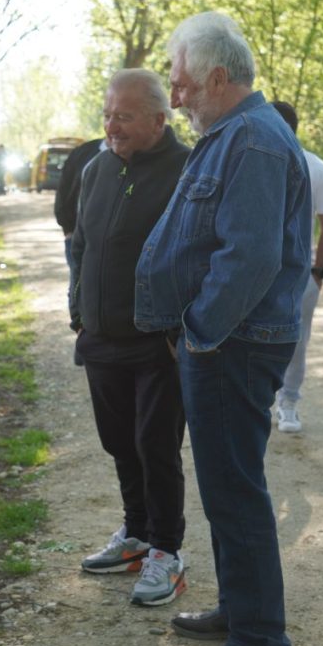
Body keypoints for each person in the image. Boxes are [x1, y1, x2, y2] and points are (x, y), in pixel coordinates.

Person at [135, 12, 311, 646]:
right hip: (222, 345)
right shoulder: (233, 134)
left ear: (216, 76)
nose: (174, 97)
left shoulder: (256, 142)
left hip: (231, 346)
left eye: (180, 83)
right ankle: (243, 613)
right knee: (227, 488)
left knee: (235, 492)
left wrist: (199, 332)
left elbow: (250, 258)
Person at [71, 70, 189, 607]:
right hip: (101, 334)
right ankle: (136, 534)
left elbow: (200, 255)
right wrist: (78, 309)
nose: (111, 125)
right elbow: (80, 243)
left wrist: (179, 326)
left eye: (125, 116)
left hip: (156, 340)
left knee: (155, 445)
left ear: (159, 119)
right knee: (119, 442)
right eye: (108, 114)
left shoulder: (187, 171)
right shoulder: (97, 167)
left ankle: (167, 551)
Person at [270, 102, 323, 434]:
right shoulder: (250, 166)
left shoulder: (318, 170)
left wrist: (319, 271)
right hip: (256, 270)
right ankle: (261, 400)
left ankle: (289, 402)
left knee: (297, 339)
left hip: (300, 273)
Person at [54, 137, 107, 269]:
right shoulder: (83, 152)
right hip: (76, 238)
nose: (112, 125)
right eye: (108, 117)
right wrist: (68, 230)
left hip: (110, 246)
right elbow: (63, 191)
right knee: (77, 287)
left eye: (123, 117)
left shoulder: (137, 155)